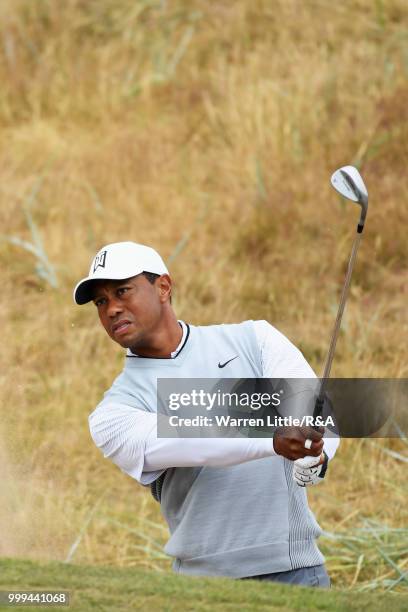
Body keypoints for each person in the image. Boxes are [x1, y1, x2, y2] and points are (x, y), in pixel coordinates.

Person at [73, 241, 339, 588]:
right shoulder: (113, 413)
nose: (111, 309)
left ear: (163, 287)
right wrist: (273, 439)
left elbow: (321, 414)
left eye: (123, 291)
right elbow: (190, 437)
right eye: (101, 301)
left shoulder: (254, 339)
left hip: (297, 570)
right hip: (204, 586)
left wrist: (316, 455)